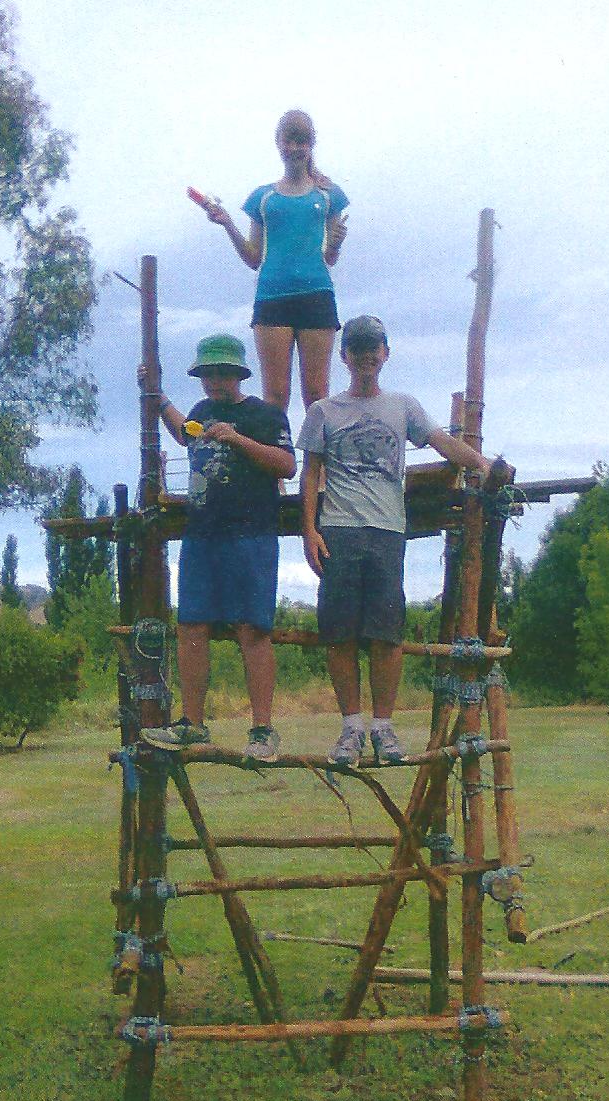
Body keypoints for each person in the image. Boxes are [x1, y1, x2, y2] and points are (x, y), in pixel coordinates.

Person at [296, 315, 498, 769]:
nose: (366, 356)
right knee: (339, 633)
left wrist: (482, 463)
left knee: (387, 633)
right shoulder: (324, 411)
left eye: (374, 347)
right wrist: (309, 530)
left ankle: (383, 727)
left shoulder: (402, 406)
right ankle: (351, 727)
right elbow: (310, 474)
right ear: (344, 356)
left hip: (388, 531)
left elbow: (442, 441)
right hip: (339, 531)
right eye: (357, 348)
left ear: (386, 353)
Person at [138, 334, 296, 763]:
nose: (214, 382)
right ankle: (192, 723)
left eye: (222, 374)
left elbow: (287, 464)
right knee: (192, 626)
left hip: (251, 535)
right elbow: (185, 435)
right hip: (202, 536)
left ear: (239, 374)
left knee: (253, 630)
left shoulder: (264, 415)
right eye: (207, 374)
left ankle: (262, 730)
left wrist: (237, 440)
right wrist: (157, 397)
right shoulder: (201, 413)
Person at [201, 110, 348, 413]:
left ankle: (316, 463)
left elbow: (330, 259)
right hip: (272, 298)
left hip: (316, 296)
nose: (295, 149)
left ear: (311, 145)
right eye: (289, 141)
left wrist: (336, 242)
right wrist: (227, 222)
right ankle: (276, 460)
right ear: (278, 143)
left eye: (302, 141)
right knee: (275, 397)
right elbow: (253, 258)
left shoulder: (329, 195)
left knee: (318, 396)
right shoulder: (263, 198)